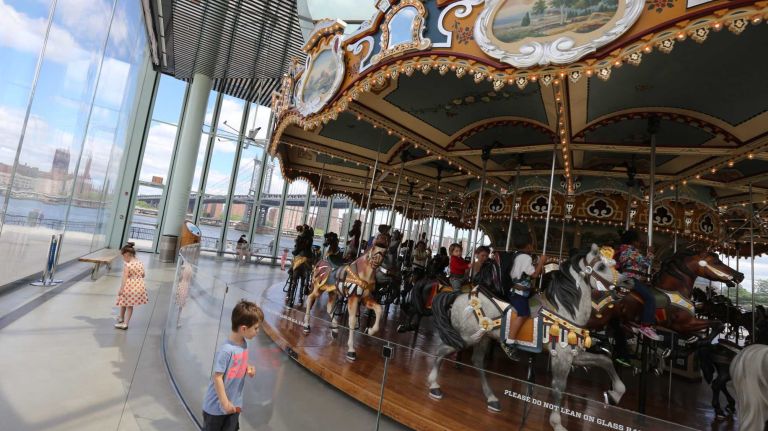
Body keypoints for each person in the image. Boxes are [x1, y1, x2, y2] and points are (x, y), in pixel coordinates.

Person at [202, 300, 263, 431]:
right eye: (256, 328)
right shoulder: (226, 350)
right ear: (244, 329)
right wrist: (224, 403)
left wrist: (248, 367)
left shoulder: (244, 344)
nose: (258, 332)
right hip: (216, 409)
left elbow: (238, 362)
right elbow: (217, 377)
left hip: (234, 404)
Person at [505, 235, 548, 355]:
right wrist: (541, 262)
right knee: (524, 313)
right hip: (518, 293)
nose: (533, 247)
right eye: (532, 244)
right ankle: (509, 342)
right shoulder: (525, 257)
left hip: (520, 291)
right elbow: (534, 275)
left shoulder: (517, 255)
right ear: (528, 245)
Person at [616, 229, 659, 340]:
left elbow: (636, 267)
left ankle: (632, 322)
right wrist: (650, 252)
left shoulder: (623, 250)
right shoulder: (631, 251)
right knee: (650, 298)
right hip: (631, 279)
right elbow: (646, 263)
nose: (639, 243)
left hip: (626, 278)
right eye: (638, 241)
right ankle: (645, 326)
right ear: (633, 241)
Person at [114, 243, 147, 330]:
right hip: (138, 286)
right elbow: (143, 275)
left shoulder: (127, 265)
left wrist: (121, 289)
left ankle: (125, 324)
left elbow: (124, 279)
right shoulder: (140, 263)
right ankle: (121, 318)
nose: (123, 259)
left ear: (127, 255)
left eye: (123, 257)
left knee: (127, 305)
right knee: (126, 302)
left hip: (129, 286)